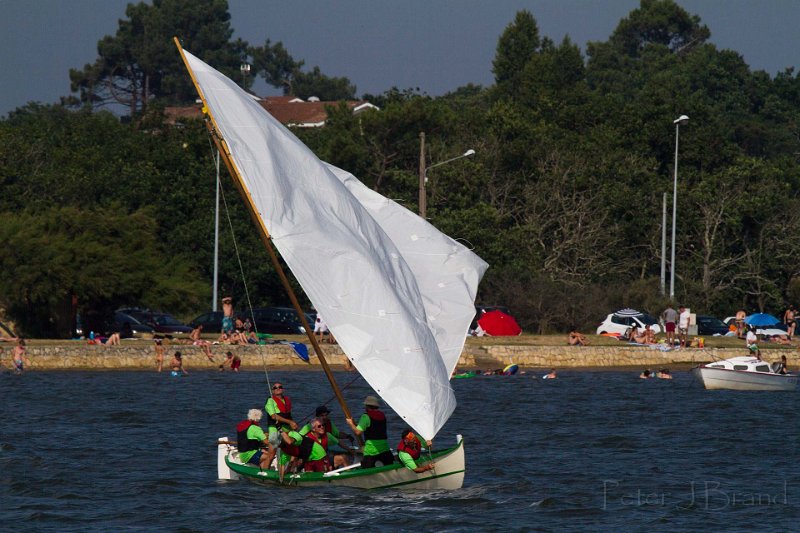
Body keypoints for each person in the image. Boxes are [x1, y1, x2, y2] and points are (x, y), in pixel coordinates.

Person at [345, 395, 394, 468]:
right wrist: (355, 424)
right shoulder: (382, 415)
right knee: (389, 464)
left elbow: (358, 432)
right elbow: (374, 427)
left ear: (367, 406)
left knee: (366, 467)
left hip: (371, 449)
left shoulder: (366, 417)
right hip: (384, 447)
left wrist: (351, 424)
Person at [263, 381, 298, 472]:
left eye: (280, 387)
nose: (278, 388)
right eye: (275, 388)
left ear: (283, 389)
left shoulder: (287, 400)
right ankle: (264, 473)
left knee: (294, 449)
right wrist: (289, 422)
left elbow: (288, 415)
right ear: (272, 391)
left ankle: (289, 470)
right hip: (275, 429)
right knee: (271, 454)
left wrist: (293, 424)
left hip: (286, 429)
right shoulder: (270, 401)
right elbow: (274, 416)